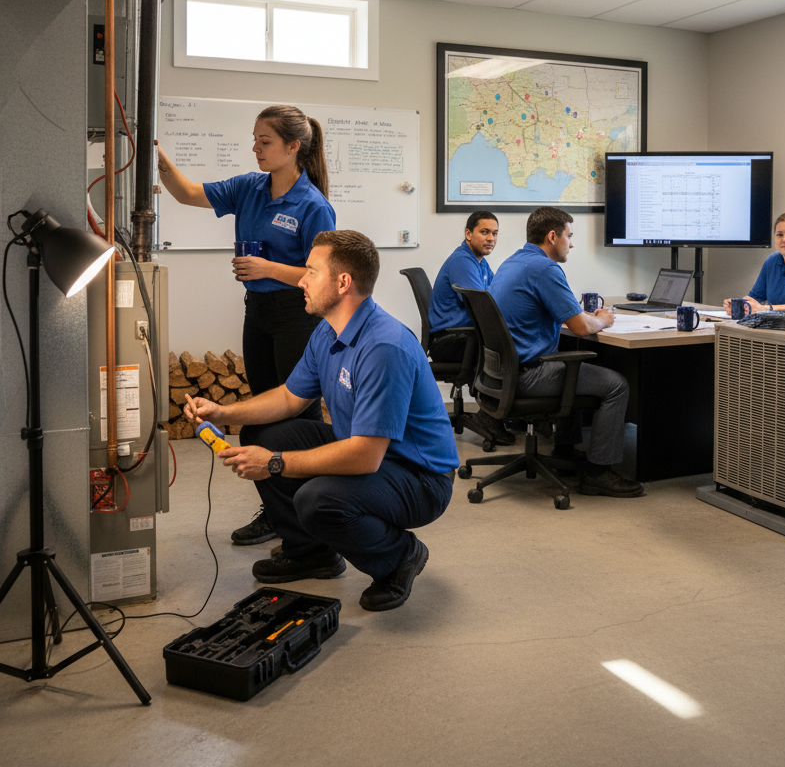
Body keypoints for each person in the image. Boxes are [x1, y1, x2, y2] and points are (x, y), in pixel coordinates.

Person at [184, 230, 459, 611]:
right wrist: (222, 412)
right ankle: (312, 553)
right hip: (371, 451)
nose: (300, 279)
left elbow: (364, 458)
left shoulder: (383, 347)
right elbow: (288, 398)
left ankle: (399, 556)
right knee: (261, 432)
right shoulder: (328, 332)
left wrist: (275, 463)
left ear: (343, 282)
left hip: (419, 477)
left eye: (311, 271)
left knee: (318, 499)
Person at [157, 104, 336, 546]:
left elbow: (322, 278)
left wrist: (268, 268)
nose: (255, 148)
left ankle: (306, 509)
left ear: (293, 147)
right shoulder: (248, 187)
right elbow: (185, 193)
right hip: (256, 313)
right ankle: (276, 509)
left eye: (265, 141)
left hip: (297, 316)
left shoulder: (313, 205)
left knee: (297, 414)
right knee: (262, 411)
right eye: (254, 139)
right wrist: (155, 157)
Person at [488, 207, 644, 498]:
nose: (571, 244)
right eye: (569, 236)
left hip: (501, 373)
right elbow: (582, 327)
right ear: (552, 236)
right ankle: (599, 473)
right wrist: (604, 319)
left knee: (571, 363)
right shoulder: (545, 269)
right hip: (528, 375)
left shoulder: (514, 262)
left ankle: (565, 450)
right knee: (616, 385)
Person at [427, 210, 513, 446]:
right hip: (450, 341)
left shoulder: (480, 263)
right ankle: (489, 416)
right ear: (468, 234)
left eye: (495, 233)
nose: (491, 238)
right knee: (505, 348)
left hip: (463, 337)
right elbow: (484, 307)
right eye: (484, 232)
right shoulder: (462, 261)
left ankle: (502, 413)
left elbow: (497, 296)